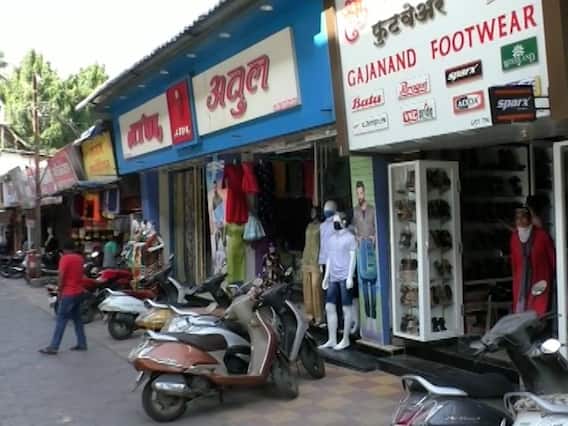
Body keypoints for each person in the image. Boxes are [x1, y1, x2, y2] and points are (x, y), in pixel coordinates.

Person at [39, 240, 87, 354]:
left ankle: (54, 346)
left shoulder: (65, 259)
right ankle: (82, 343)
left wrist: (59, 290)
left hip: (69, 293)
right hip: (79, 292)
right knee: (77, 319)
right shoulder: (80, 259)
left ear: (64, 250)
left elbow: (61, 276)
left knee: (61, 319)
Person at [510, 207, 555, 316]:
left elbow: (552, 257)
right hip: (521, 280)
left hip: (540, 278)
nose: (520, 221)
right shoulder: (514, 237)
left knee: (538, 309)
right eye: (517, 218)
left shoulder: (542, 235)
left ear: (530, 219)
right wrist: (516, 277)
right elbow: (514, 261)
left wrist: (553, 275)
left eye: (523, 217)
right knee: (522, 308)